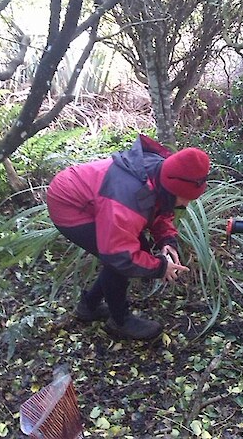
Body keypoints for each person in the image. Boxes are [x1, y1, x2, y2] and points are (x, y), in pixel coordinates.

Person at [46, 134, 210, 340]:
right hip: (69, 204)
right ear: (171, 190)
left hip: (97, 198)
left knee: (128, 250)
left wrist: (166, 240)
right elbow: (119, 255)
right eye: (184, 199)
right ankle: (120, 321)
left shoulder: (162, 174)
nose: (185, 205)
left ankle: (88, 307)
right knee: (120, 257)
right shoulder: (127, 199)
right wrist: (160, 267)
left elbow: (160, 207)